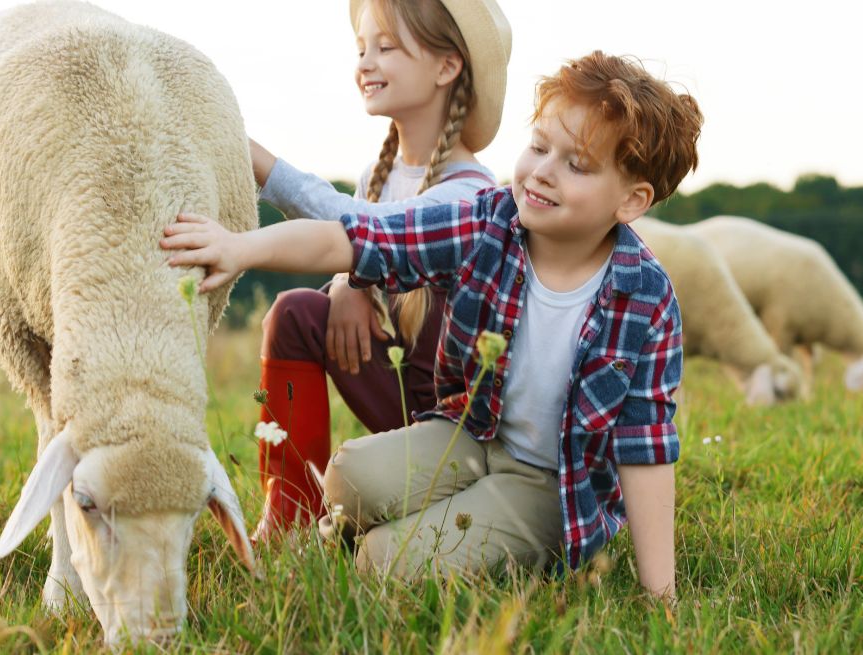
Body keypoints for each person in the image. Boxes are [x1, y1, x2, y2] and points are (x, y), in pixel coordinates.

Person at [162, 50, 703, 597]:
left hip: (551, 484)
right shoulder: (488, 220)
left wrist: (662, 594)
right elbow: (353, 238)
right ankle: (355, 530)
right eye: (539, 146)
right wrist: (240, 247)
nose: (542, 171)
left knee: (387, 560)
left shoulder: (646, 297)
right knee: (348, 476)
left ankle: (395, 545)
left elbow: (646, 446)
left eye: (576, 165)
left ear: (632, 201)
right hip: (472, 433)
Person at [248, 0, 512, 542]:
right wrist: (348, 280)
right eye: (362, 48)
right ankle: (288, 513)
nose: (365, 62)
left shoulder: (472, 194)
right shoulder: (378, 172)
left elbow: (375, 231)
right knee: (296, 312)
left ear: (446, 67)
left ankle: (418, 497)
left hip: (463, 431)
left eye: (386, 47)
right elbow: (363, 234)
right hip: (401, 398)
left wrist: (262, 166)